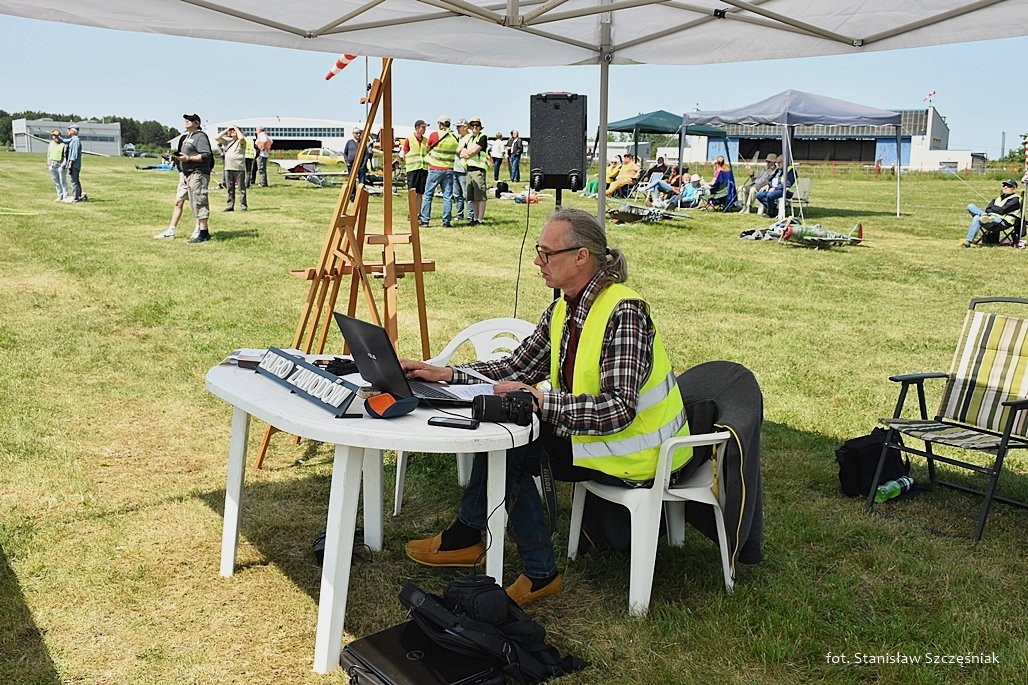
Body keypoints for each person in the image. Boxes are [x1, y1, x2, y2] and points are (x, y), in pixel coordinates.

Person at [400, 207, 693, 607]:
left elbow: (618, 408)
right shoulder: (563, 309)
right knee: (510, 435)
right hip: (599, 439)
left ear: (581, 257)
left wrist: (541, 399)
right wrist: (447, 373)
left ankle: (521, 564)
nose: (538, 261)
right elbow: (514, 368)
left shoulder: (625, 313)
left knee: (516, 445)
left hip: (639, 453)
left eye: (546, 253)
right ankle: (479, 543)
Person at [176, 113, 214, 244]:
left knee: (200, 201)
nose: (186, 121)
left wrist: (189, 159)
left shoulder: (200, 136)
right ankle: (202, 232)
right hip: (189, 174)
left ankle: (203, 233)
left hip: (199, 173)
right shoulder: (187, 137)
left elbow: (206, 155)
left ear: (197, 123)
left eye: (190, 120)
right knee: (194, 203)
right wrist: (184, 172)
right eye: (186, 119)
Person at [418, 115, 458, 228]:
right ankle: (446, 221)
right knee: (447, 197)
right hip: (449, 170)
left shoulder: (435, 135)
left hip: (435, 169)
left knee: (428, 195)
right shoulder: (454, 137)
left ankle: (425, 220)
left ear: (440, 124)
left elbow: (427, 148)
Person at [961, 179, 1022, 248]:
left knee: (977, 218)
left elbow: (1002, 210)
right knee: (970, 206)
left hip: (1003, 222)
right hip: (990, 218)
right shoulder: (998, 198)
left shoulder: (1015, 199)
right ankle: (982, 214)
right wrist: (992, 210)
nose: (1005, 187)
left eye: (1009, 186)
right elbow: (988, 209)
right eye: (1004, 185)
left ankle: (968, 242)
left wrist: (992, 208)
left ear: (1014, 189)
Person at [153, 172, 201, 240]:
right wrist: (184, 172)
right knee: (178, 202)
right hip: (184, 175)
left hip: (196, 174)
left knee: (197, 204)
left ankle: (198, 230)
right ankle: (171, 230)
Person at [461, 116, 489, 225]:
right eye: (472, 125)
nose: (475, 127)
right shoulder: (468, 138)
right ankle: (475, 218)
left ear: (480, 127)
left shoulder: (483, 137)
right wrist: (468, 153)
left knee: (480, 195)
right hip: (469, 169)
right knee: (472, 196)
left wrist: (467, 154)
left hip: (479, 169)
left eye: (477, 125)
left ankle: (480, 219)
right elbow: (461, 152)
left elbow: (474, 151)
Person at [215, 125, 248, 212]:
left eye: (234, 131)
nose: (232, 131)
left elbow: (241, 138)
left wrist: (236, 128)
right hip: (228, 168)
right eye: (231, 130)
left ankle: (243, 205)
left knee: (241, 188)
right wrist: (227, 129)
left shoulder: (242, 142)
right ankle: (230, 205)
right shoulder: (227, 142)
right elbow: (217, 138)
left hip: (239, 168)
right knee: (230, 189)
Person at [402, 119, 429, 209]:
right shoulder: (409, 139)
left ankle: (418, 212)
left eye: (425, 128)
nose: (424, 129)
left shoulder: (426, 140)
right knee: (412, 192)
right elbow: (405, 152)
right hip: (412, 169)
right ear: (417, 128)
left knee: (420, 192)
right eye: (423, 127)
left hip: (423, 169)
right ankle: (412, 212)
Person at [452, 119, 471, 223]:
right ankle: (459, 214)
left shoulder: (469, 138)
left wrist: (459, 150)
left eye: (459, 127)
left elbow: (458, 151)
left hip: (464, 169)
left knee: (466, 194)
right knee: (457, 194)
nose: (457, 129)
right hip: (455, 168)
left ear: (465, 127)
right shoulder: (458, 138)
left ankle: (470, 215)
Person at [61, 125, 84, 202]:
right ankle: (79, 195)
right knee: (75, 180)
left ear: (73, 131)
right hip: (73, 163)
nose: (68, 131)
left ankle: (76, 197)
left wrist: (70, 163)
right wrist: (57, 136)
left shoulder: (76, 140)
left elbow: (74, 153)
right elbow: (64, 141)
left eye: (69, 130)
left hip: (74, 164)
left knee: (74, 181)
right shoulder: (72, 140)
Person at [46, 129, 68, 201]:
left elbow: (66, 156)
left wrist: (63, 165)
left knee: (62, 181)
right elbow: (49, 154)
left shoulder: (63, 144)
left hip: (60, 165)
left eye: (57, 135)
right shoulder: (51, 144)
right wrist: (48, 163)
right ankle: (59, 195)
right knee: (56, 182)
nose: (55, 137)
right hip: (52, 165)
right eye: (54, 135)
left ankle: (65, 196)